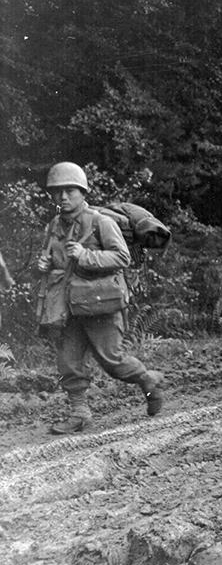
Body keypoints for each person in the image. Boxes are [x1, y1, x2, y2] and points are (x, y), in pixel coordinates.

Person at [36, 162, 165, 434]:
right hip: (66, 306)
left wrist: (86, 255)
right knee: (67, 362)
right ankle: (80, 413)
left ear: (82, 192)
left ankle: (148, 380)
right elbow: (56, 259)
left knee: (113, 362)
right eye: (57, 192)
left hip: (99, 305)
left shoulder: (100, 222)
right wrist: (46, 264)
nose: (63, 198)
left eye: (70, 191)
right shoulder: (54, 225)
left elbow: (122, 257)